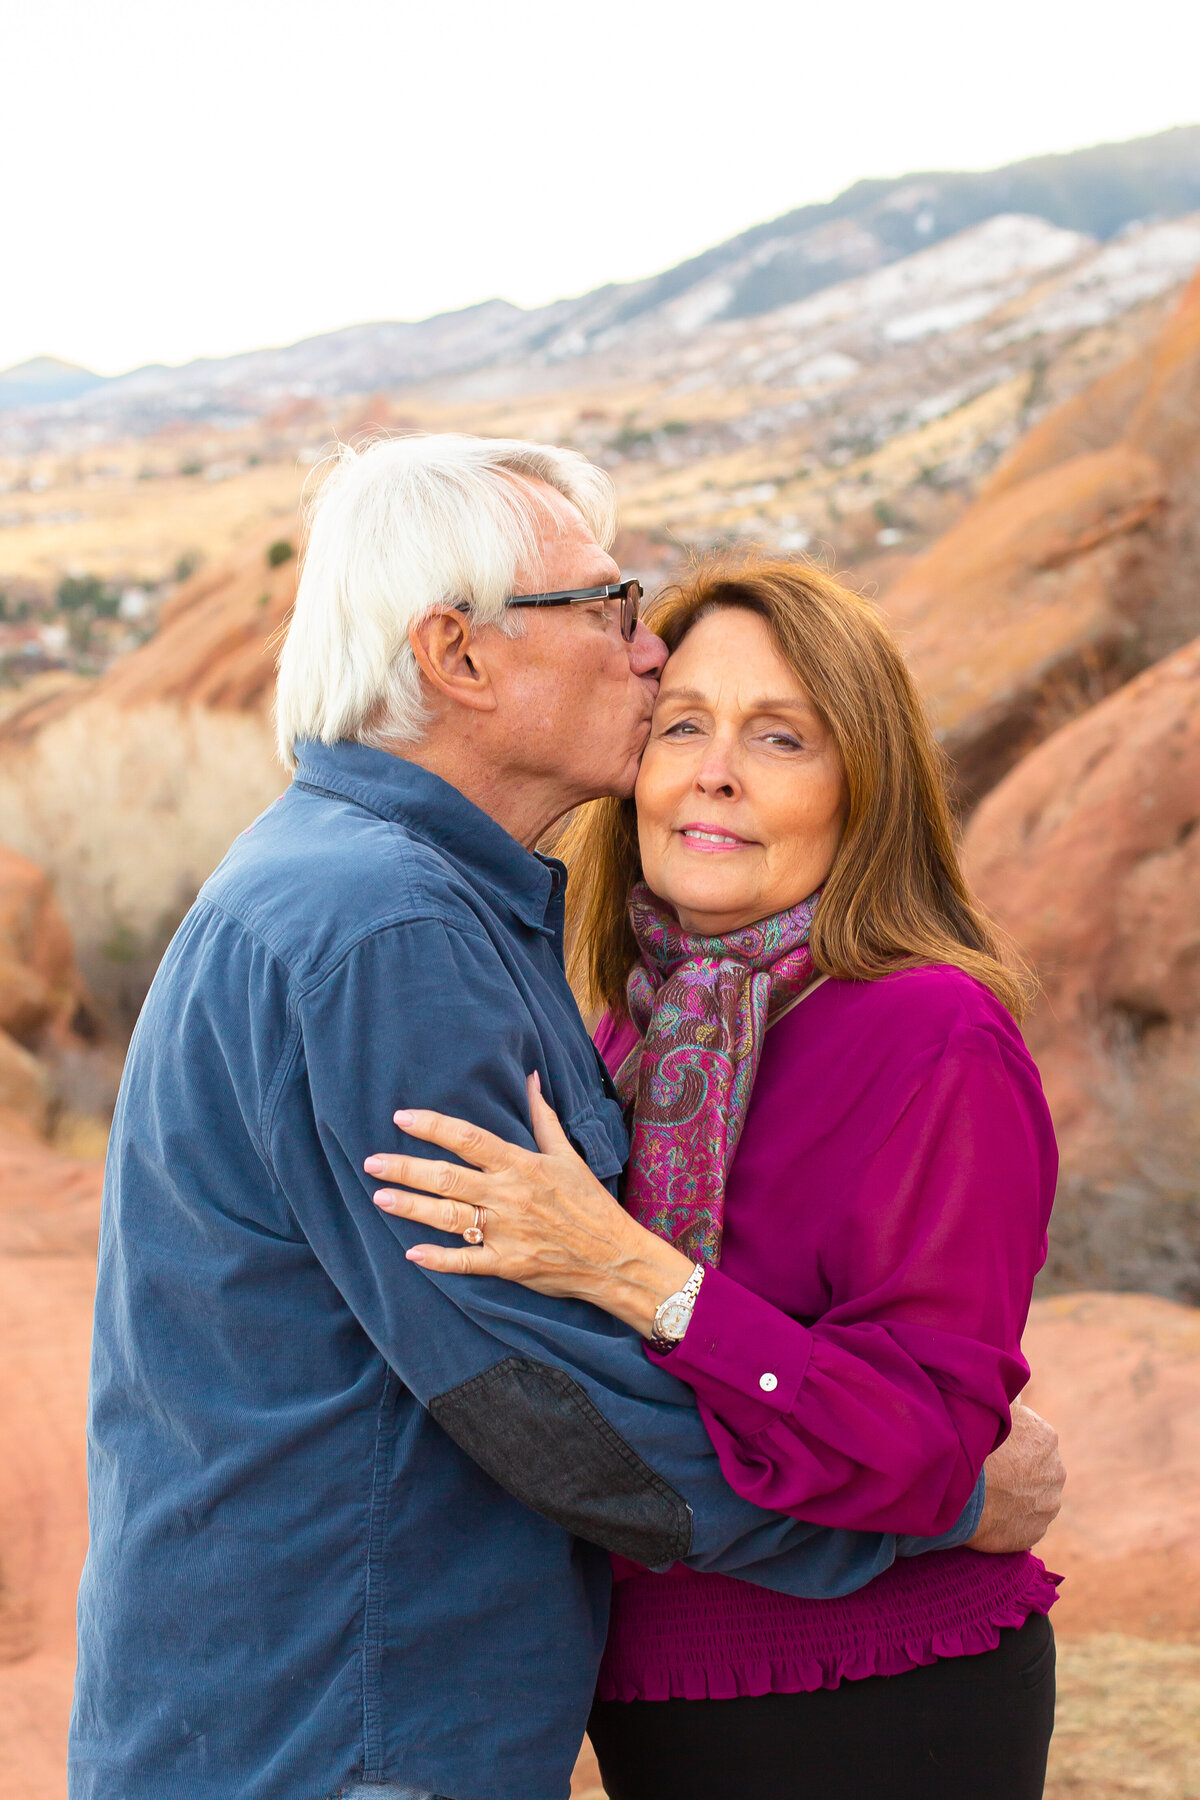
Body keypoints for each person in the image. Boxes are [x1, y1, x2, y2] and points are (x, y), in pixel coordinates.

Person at [71, 438, 1061, 1800]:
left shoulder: (407, 906)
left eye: (779, 736)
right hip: (350, 1731)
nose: (643, 652)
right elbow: (544, 1407)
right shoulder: (391, 932)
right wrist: (935, 1512)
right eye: (606, 607)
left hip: (390, 1716)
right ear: (459, 656)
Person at [366, 553, 1065, 1800]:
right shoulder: (631, 1031)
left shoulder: (934, 1036)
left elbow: (932, 1446)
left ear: (867, 787)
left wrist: (643, 1277)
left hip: (878, 1688)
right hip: (652, 1690)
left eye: (782, 737)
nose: (716, 771)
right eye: (682, 723)